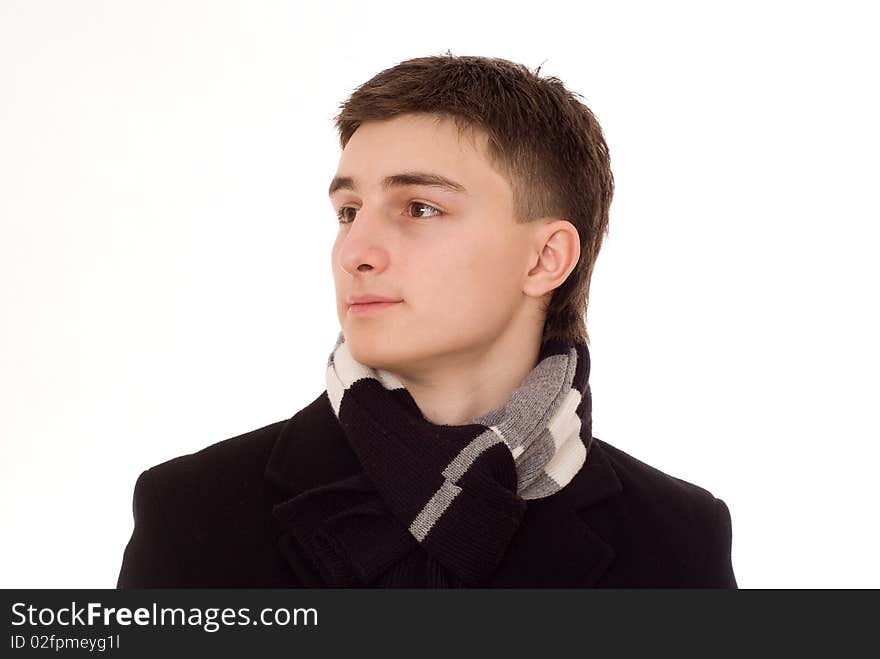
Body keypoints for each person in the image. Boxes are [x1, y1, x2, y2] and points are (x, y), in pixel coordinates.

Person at [117, 53, 737, 588]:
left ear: (546, 258)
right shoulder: (193, 511)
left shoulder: (678, 536)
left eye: (419, 208)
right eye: (348, 210)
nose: (355, 251)